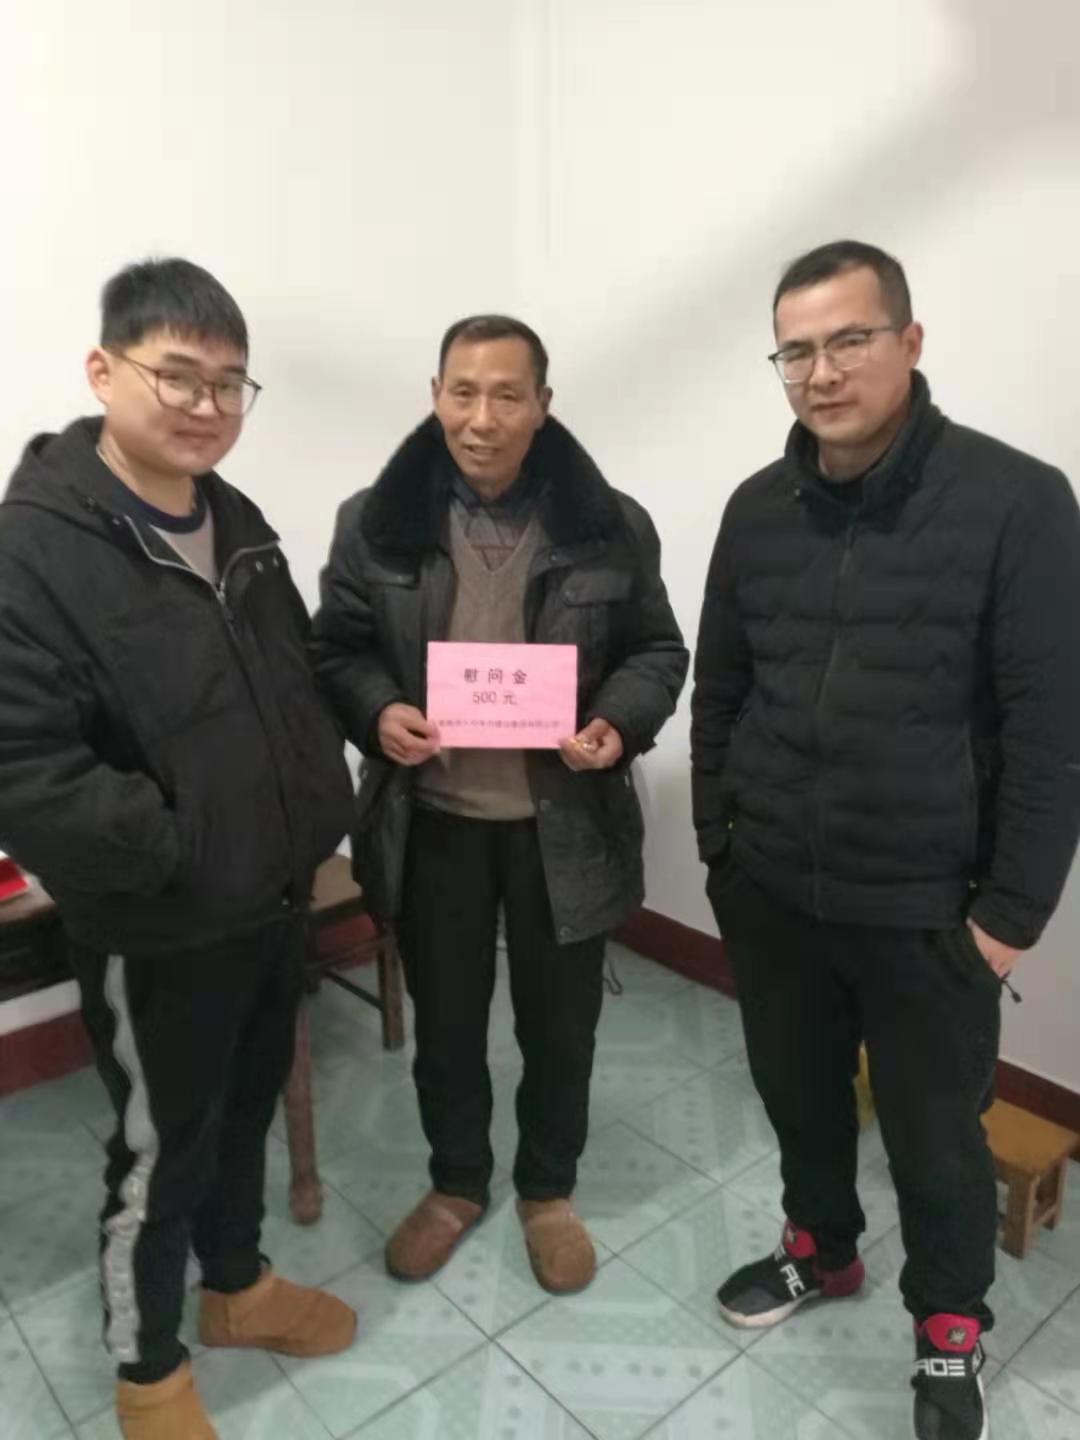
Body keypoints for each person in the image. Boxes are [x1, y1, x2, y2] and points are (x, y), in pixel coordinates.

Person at [691, 239, 1080, 1440]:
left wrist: (1005, 922)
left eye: (849, 340)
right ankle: (823, 1249)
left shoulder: (1019, 501)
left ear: (909, 341)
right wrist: (720, 850)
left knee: (934, 1142)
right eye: (796, 350)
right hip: (775, 893)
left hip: (927, 911)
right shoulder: (756, 510)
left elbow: (1051, 728)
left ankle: (949, 1328)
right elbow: (721, 691)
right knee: (801, 1101)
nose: (821, 372)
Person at [0, 258, 358, 1440]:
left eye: (229, 383)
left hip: (270, 899)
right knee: (159, 1155)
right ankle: (147, 1372)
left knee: (243, 1114)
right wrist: (181, 851)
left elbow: (290, 684)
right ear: (103, 372)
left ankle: (237, 1288)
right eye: (178, 376)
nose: (207, 406)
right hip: (157, 922)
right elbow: (26, 770)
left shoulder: (236, 521)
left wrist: (313, 812)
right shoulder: (32, 549)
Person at [311, 314, 688, 1294]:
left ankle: (548, 1190)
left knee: (561, 1030)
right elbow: (336, 648)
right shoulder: (373, 522)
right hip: (433, 821)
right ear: (436, 396)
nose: (482, 417)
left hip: (565, 827)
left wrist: (616, 723)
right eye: (463, 392)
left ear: (543, 406)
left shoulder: (611, 523)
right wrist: (378, 710)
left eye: (507, 395)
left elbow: (657, 650)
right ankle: (456, 1183)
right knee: (445, 1026)